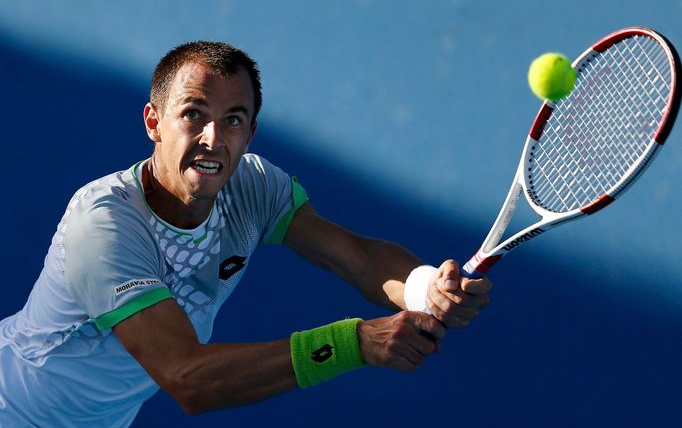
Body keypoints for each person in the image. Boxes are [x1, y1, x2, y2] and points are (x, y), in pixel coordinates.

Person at [0, 41, 492, 427]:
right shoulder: (103, 224)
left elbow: (358, 258)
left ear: (249, 134)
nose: (213, 137)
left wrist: (426, 288)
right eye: (193, 113)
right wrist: (355, 342)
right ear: (154, 121)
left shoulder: (252, 186)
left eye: (233, 120)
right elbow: (186, 377)